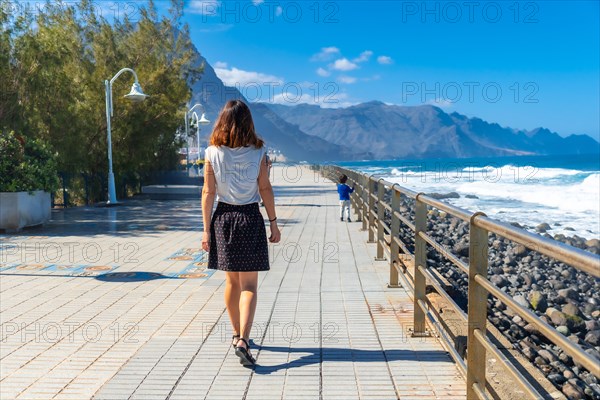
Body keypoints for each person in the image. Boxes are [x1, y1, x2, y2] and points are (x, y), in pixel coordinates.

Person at [201, 100, 281, 367]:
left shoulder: (211, 152)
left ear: (221, 121)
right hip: (249, 217)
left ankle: (236, 334)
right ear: (248, 123)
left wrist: (205, 231)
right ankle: (244, 340)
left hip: (222, 218)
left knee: (231, 283)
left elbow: (208, 193)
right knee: (249, 286)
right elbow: (265, 189)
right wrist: (274, 222)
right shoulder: (259, 152)